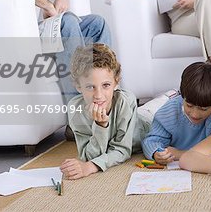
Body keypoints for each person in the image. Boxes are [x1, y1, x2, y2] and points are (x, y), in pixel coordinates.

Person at [60, 44, 150, 179]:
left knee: (161, 108)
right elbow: (88, 156)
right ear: (78, 86)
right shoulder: (75, 109)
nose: (98, 95)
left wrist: (91, 167)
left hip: (147, 124)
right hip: (137, 115)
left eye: (106, 85)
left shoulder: (126, 101)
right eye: (90, 87)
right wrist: (100, 125)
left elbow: (122, 150)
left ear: (116, 82)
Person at [141, 62, 211, 165]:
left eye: (203, 109)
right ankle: (169, 94)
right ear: (183, 96)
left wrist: (180, 154)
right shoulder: (170, 110)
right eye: (189, 105)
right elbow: (151, 140)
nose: (194, 114)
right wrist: (156, 152)